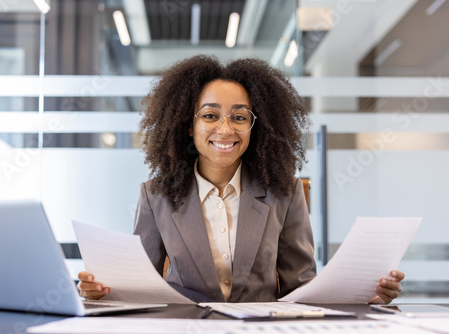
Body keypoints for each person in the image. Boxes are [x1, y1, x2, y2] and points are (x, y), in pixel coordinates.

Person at [78, 55, 404, 303]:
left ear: (254, 125)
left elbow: (301, 286)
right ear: (188, 125)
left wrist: (364, 296)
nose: (225, 129)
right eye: (209, 115)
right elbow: (140, 286)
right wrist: (102, 290)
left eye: (238, 117)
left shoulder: (284, 192)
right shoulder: (156, 195)